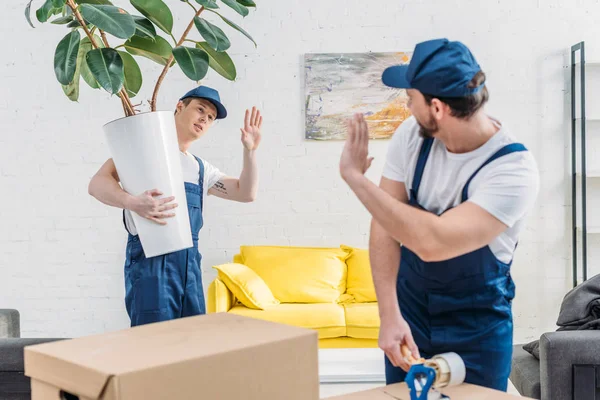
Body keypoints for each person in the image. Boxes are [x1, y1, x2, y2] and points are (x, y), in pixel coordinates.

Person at [339, 38, 539, 391]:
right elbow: (385, 226)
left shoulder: (513, 171)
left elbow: (433, 242)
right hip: (411, 313)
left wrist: (356, 179)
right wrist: (389, 315)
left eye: (410, 98)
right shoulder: (411, 137)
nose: (405, 105)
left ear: (436, 108)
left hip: (478, 327)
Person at [88, 85, 263, 327]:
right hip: (151, 264)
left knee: (190, 347)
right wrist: (132, 202)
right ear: (180, 106)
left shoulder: (201, 169)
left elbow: (246, 193)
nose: (204, 118)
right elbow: (97, 184)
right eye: (200, 109)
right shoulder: (145, 150)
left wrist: (250, 151)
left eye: (211, 117)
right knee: (152, 345)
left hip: (189, 267)